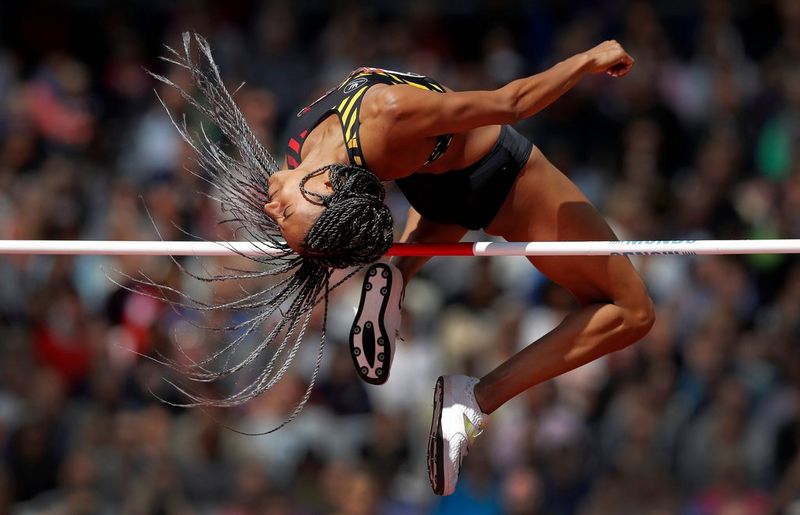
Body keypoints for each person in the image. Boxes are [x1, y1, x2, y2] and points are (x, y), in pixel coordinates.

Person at [154, 33, 654, 497]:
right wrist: (588, 58)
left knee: (431, 201)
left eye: (280, 215)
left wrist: (582, 61)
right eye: (285, 215)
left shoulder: (371, 127)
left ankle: (398, 273)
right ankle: (475, 397)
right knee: (632, 312)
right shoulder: (327, 149)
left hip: (434, 193)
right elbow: (509, 106)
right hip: (502, 181)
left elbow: (510, 102)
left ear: (329, 187)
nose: (268, 207)